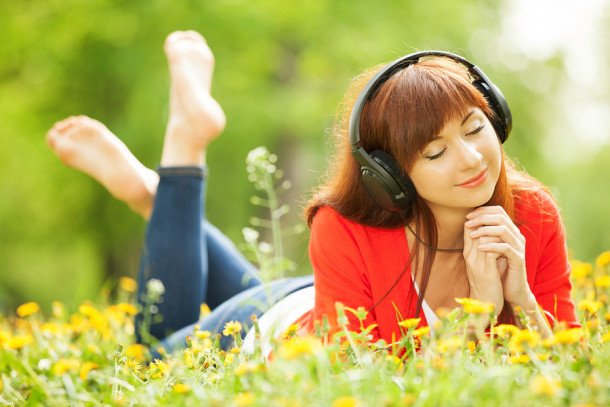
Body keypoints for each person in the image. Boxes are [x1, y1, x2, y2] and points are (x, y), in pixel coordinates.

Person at [46, 31, 578, 355]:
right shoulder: (347, 226)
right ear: (390, 173)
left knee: (205, 280)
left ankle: (152, 196)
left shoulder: (530, 213)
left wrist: (521, 300)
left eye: (474, 128)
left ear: (496, 117)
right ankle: (183, 150)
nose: (471, 159)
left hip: (318, 297)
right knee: (153, 351)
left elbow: (565, 355)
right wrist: (477, 311)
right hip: (274, 330)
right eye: (434, 153)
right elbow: (358, 383)